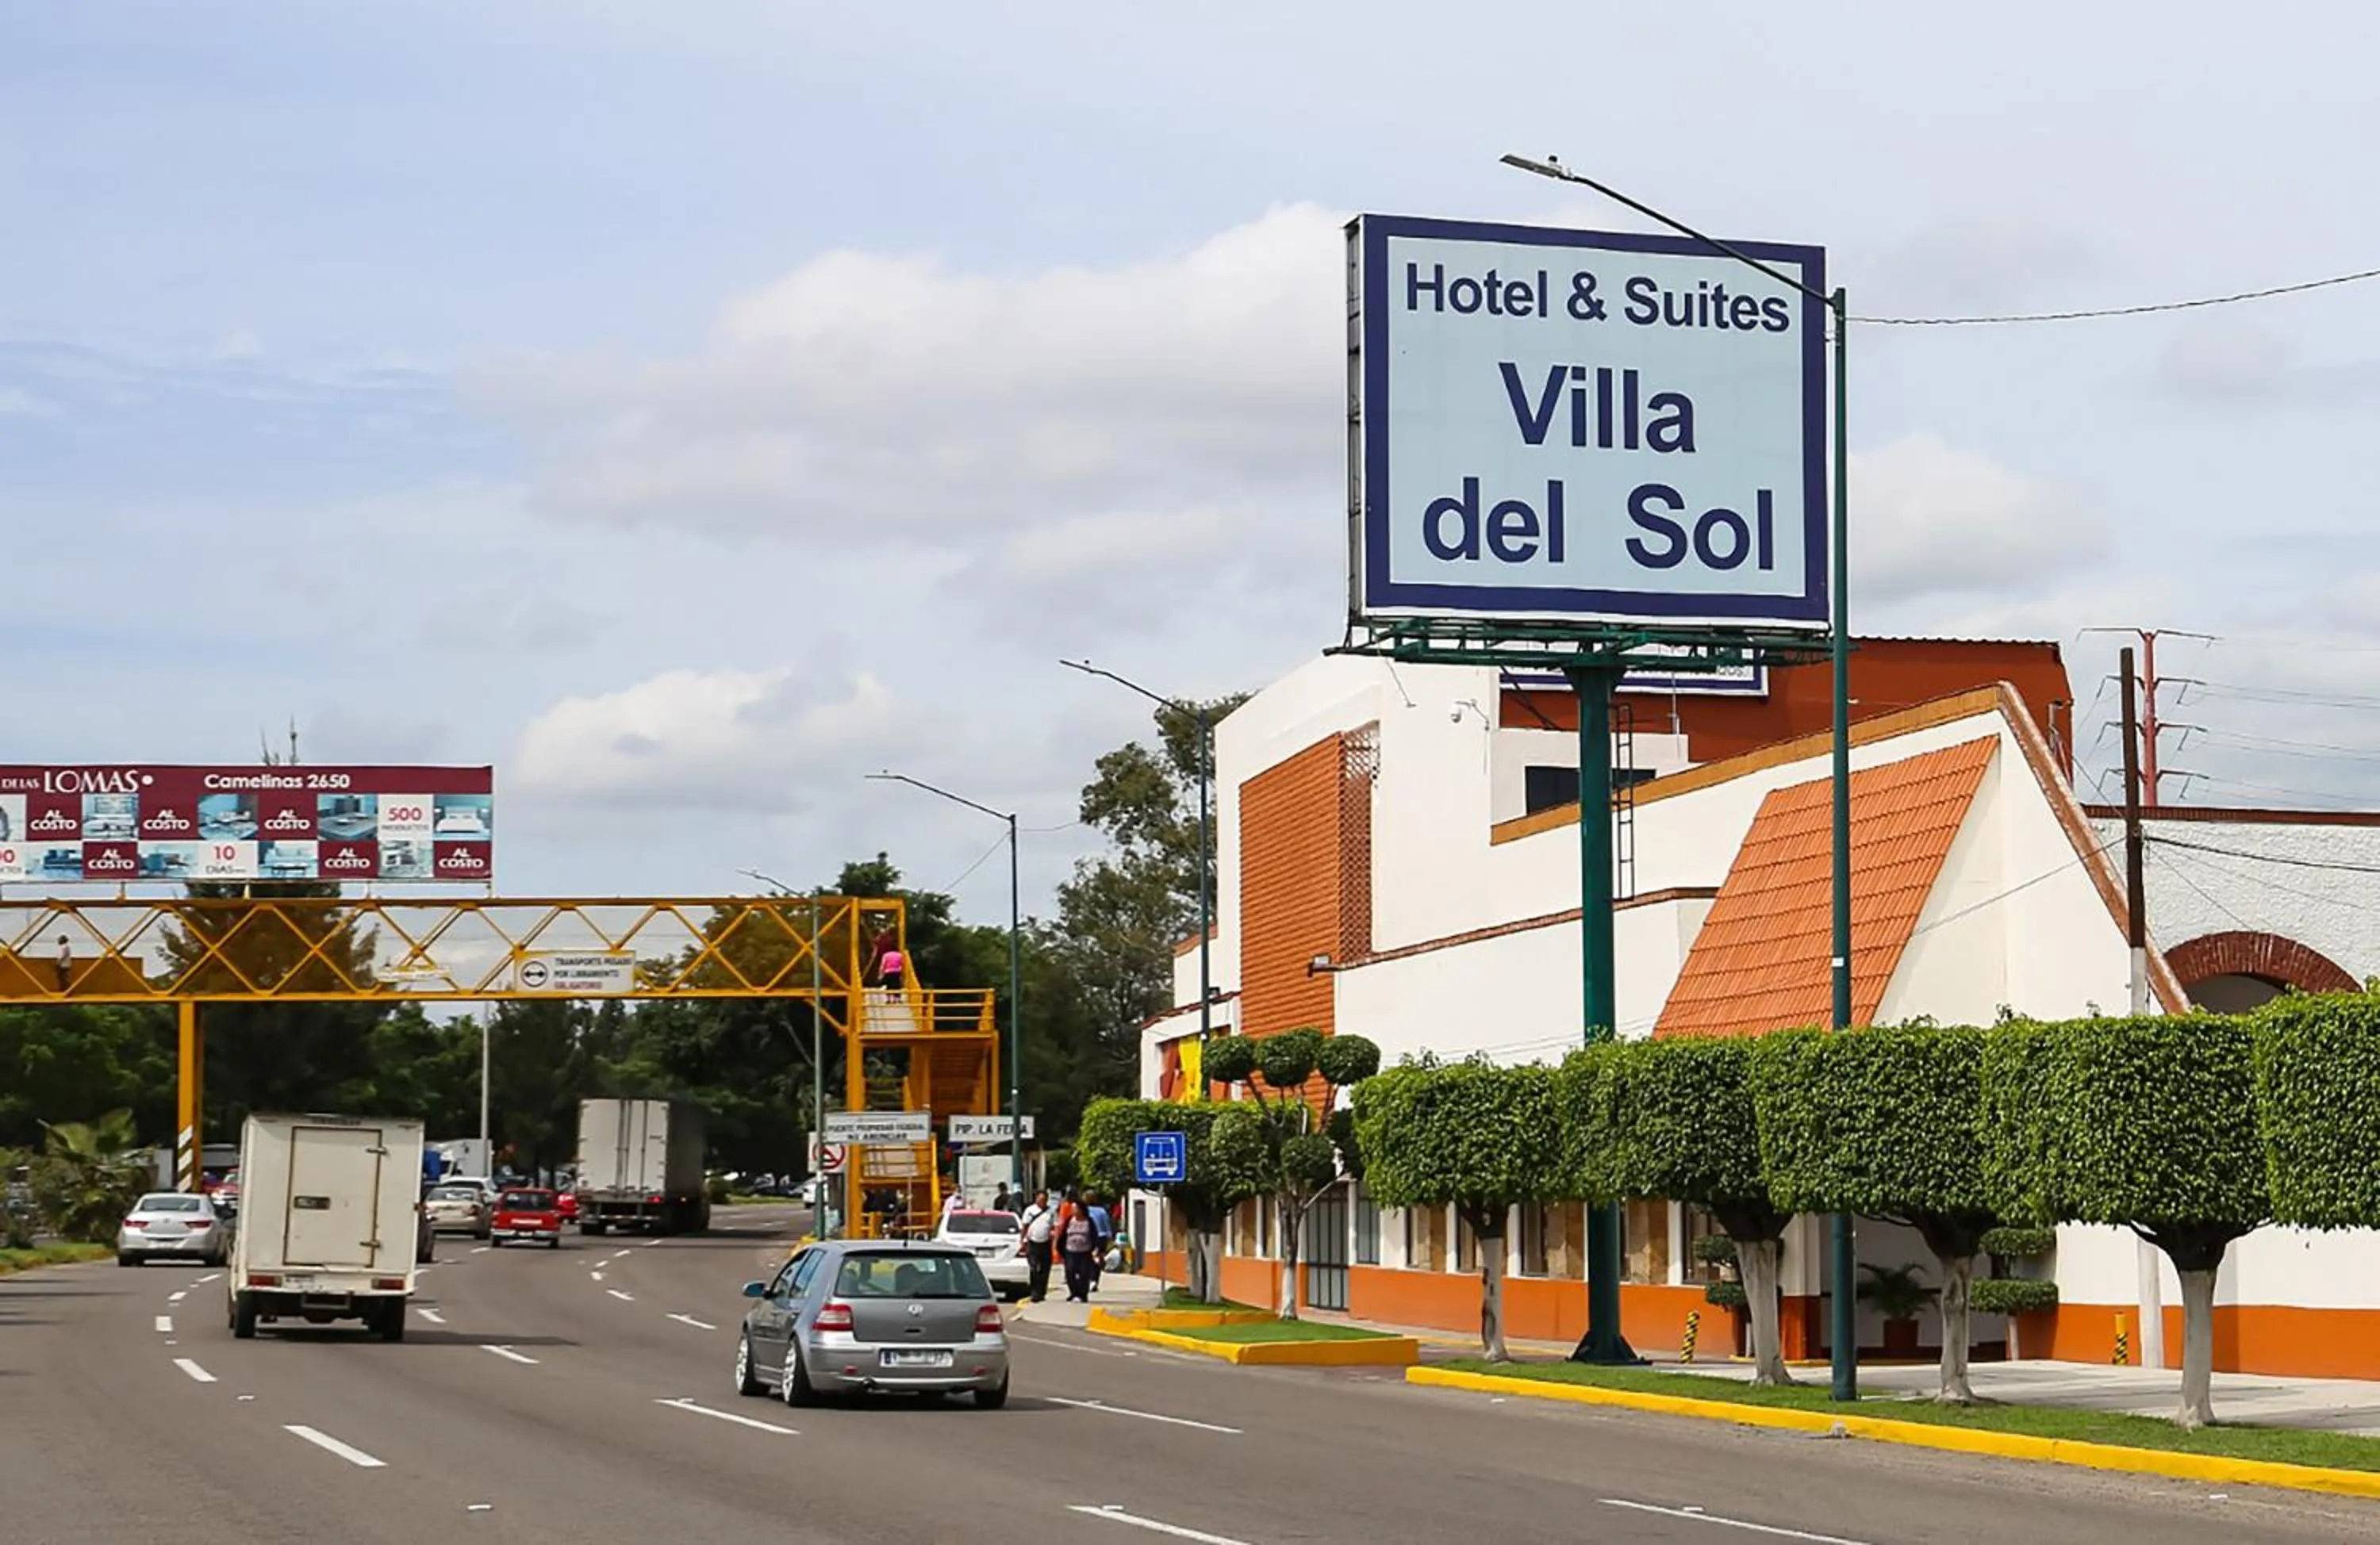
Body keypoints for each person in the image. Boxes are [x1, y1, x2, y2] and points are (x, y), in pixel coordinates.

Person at [1058, 1194, 1100, 1303]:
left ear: (1081, 1210)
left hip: (1084, 1252)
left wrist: (1095, 1249)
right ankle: (1073, 1293)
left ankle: (1082, 1294)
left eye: (1075, 1208)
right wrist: (1061, 1250)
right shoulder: (1069, 1221)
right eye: (1073, 1209)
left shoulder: (1089, 1221)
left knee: (1084, 1274)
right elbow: (1063, 1235)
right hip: (1070, 1251)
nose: (1074, 1211)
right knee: (1070, 1272)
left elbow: (1094, 1235)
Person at [1019, 1189, 1056, 1302]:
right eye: (1040, 1200)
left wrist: (1054, 1241)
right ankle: (1034, 1292)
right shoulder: (1030, 1210)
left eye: (1045, 1200)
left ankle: (1041, 1292)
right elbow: (1024, 1226)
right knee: (1034, 1268)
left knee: (1045, 1269)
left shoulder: (1051, 1211)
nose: (1043, 1202)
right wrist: (1022, 1241)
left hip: (1046, 1243)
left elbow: (1055, 1227)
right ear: (1036, 1199)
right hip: (1032, 1243)